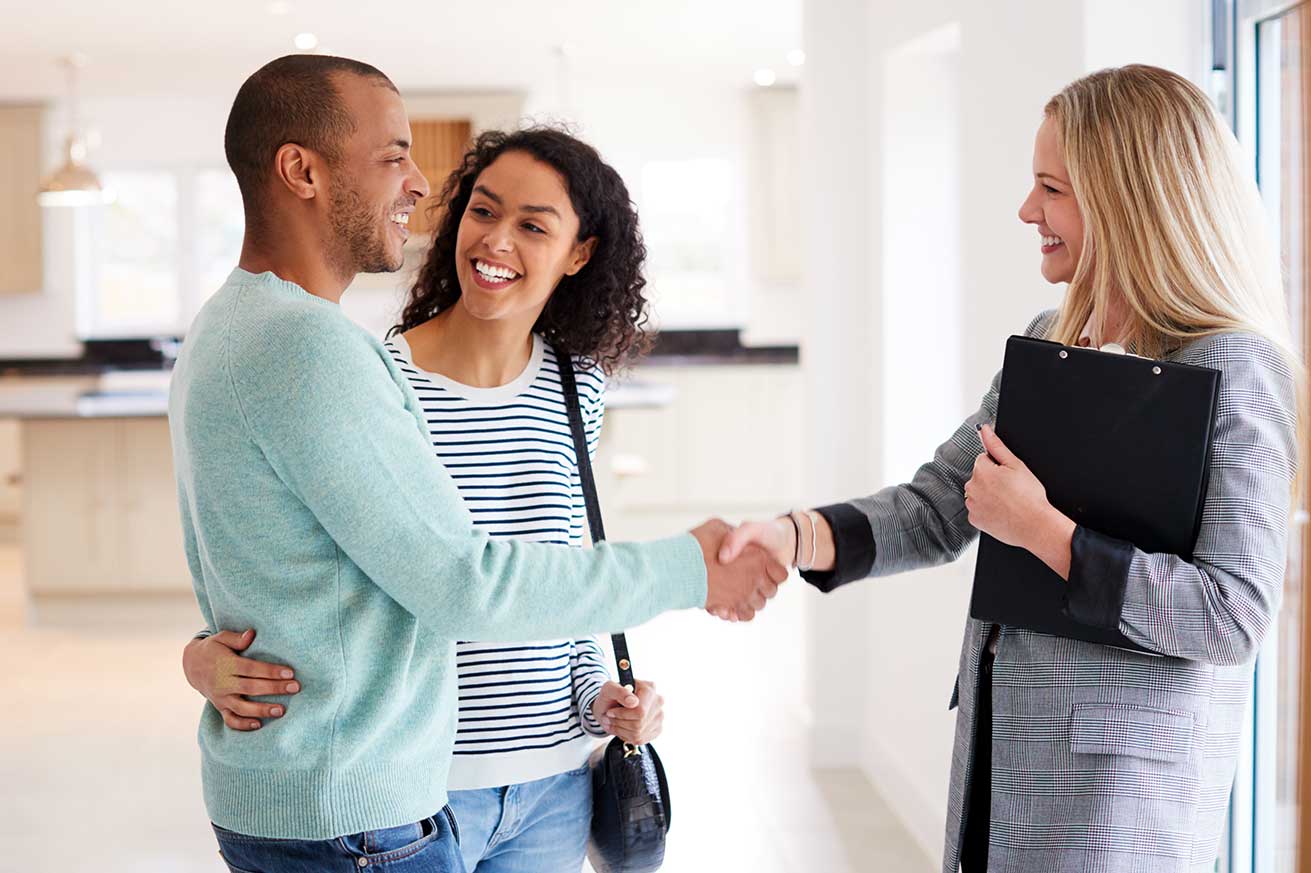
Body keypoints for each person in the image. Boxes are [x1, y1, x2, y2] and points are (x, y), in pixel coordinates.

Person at [171, 54, 785, 873]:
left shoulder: (242, 328)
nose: (419, 185)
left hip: (484, 784)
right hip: (379, 803)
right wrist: (690, 569)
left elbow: (297, 564)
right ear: (301, 170)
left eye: (535, 224)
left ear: (577, 253)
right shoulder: (329, 355)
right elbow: (463, 583)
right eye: (394, 154)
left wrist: (593, 692)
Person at [722, 64, 1304, 873]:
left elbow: (1230, 615)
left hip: (1120, 807)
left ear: (1125, 198)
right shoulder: (1049, 337)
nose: (1027, 210)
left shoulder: (1233, 365)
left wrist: (1043, 531)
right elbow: (936, 508)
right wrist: (794, 536)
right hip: (999, 769)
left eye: (1051, 188)